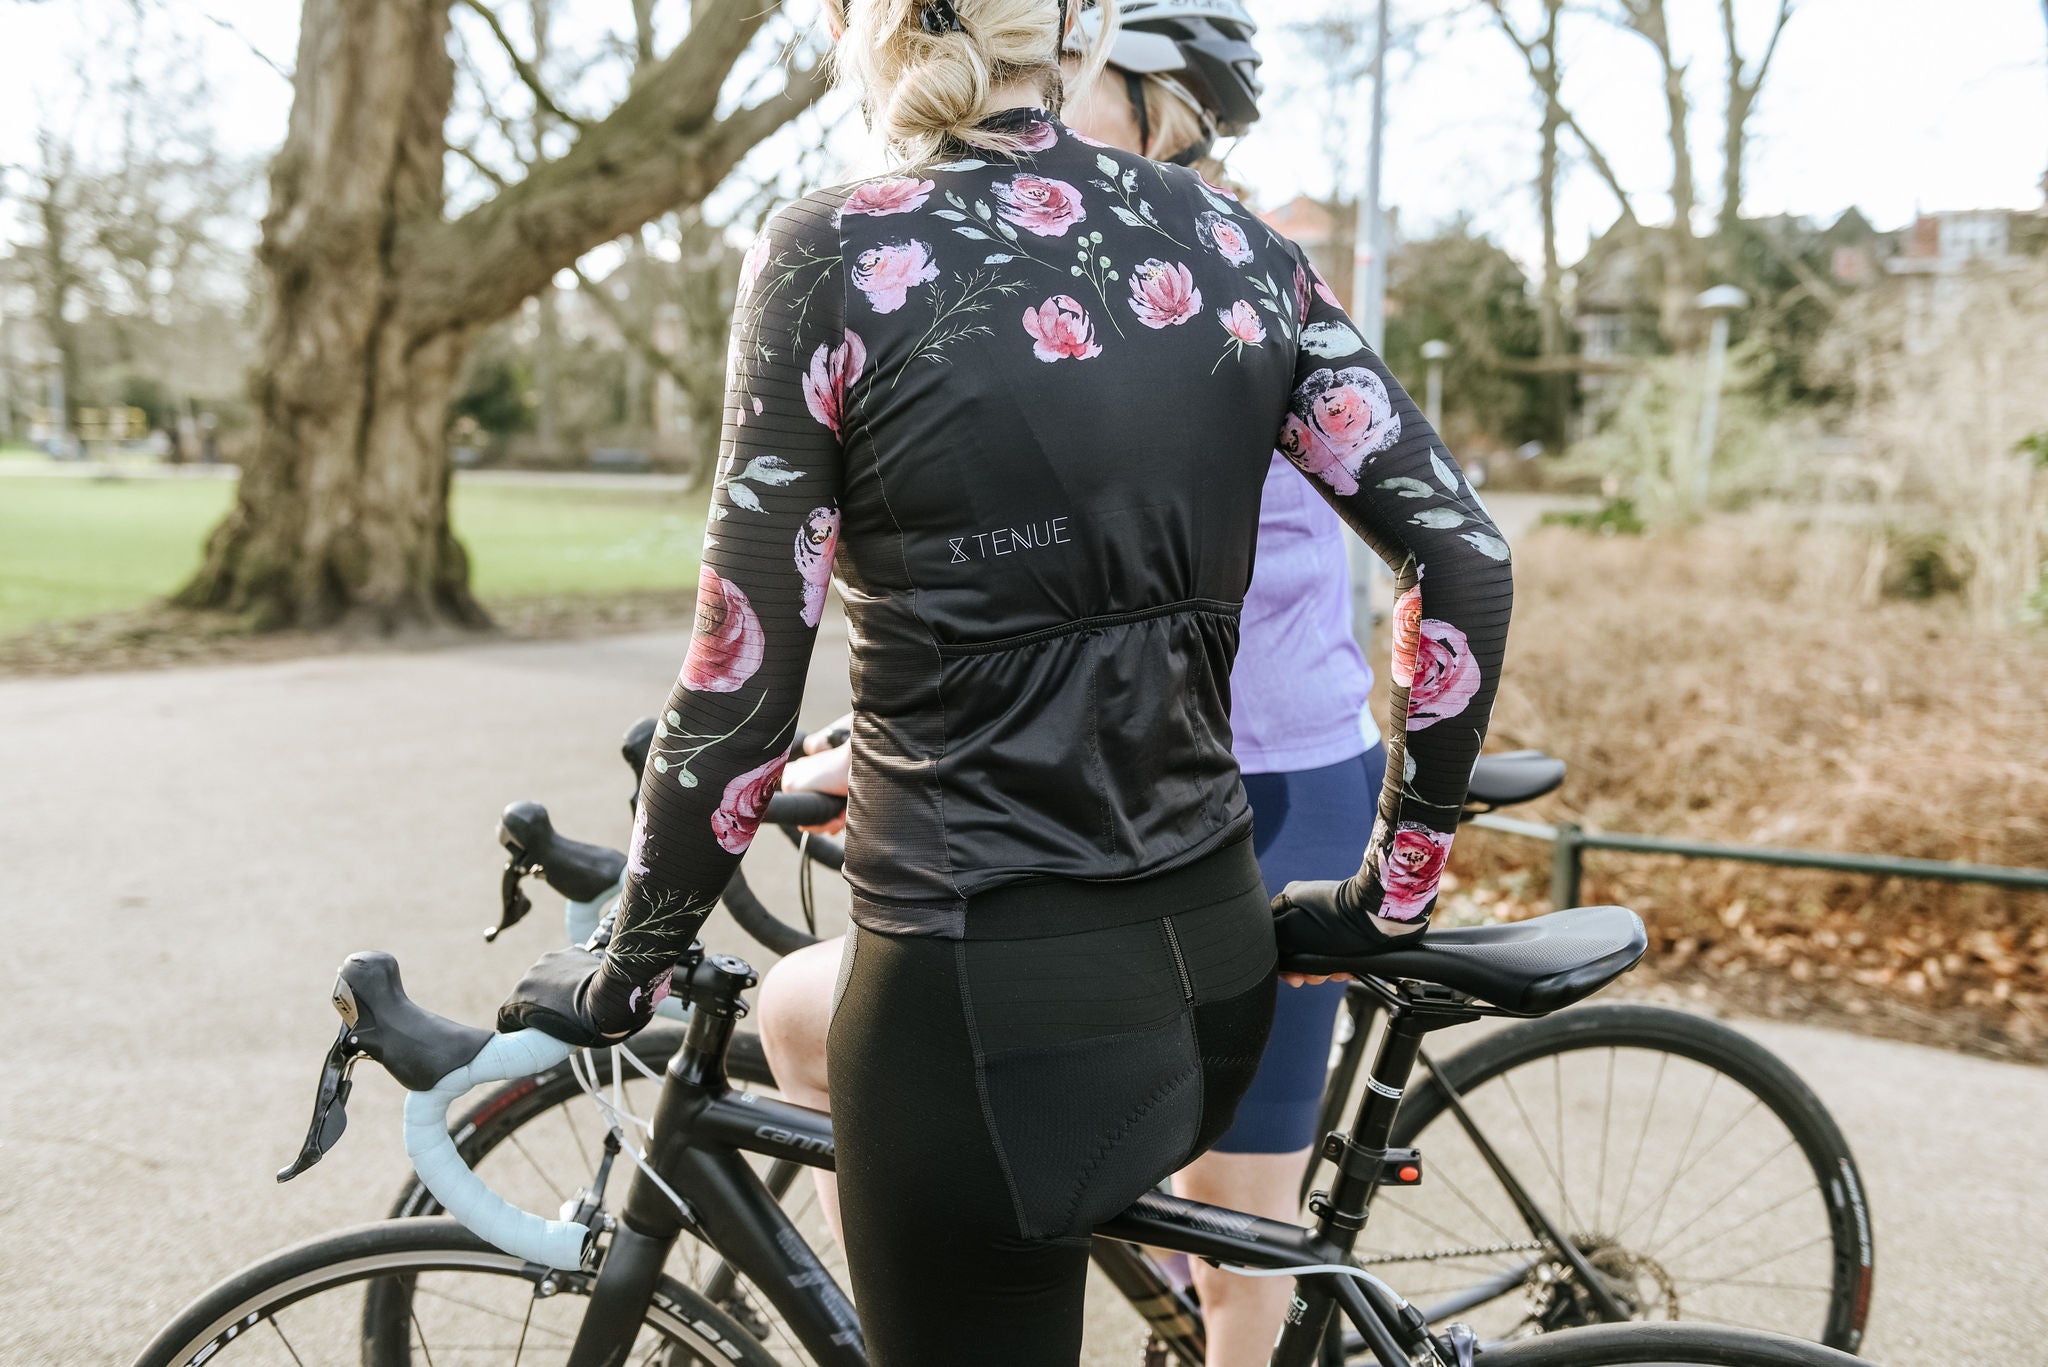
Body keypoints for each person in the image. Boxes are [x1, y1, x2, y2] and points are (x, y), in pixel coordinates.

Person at [498, 1, 1513, 1362]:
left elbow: (740, 681)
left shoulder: (833, 251)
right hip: (1213, 966)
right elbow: (1464, 559)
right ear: (1078, 29)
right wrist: (1393, 898)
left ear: (865, 25)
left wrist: (633, 967)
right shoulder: (1236, 246)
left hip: (976, 1001)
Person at [758, 6, 1406, 1362]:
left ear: (1162, 113)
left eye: (1091, 87)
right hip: (1151, 833)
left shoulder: (1183, 282)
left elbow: (1093, 628)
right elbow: (1027, 608)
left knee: (1244, 1244)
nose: (1054, 107)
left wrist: (1392, 893)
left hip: (1269, 783)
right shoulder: (1200, 262)